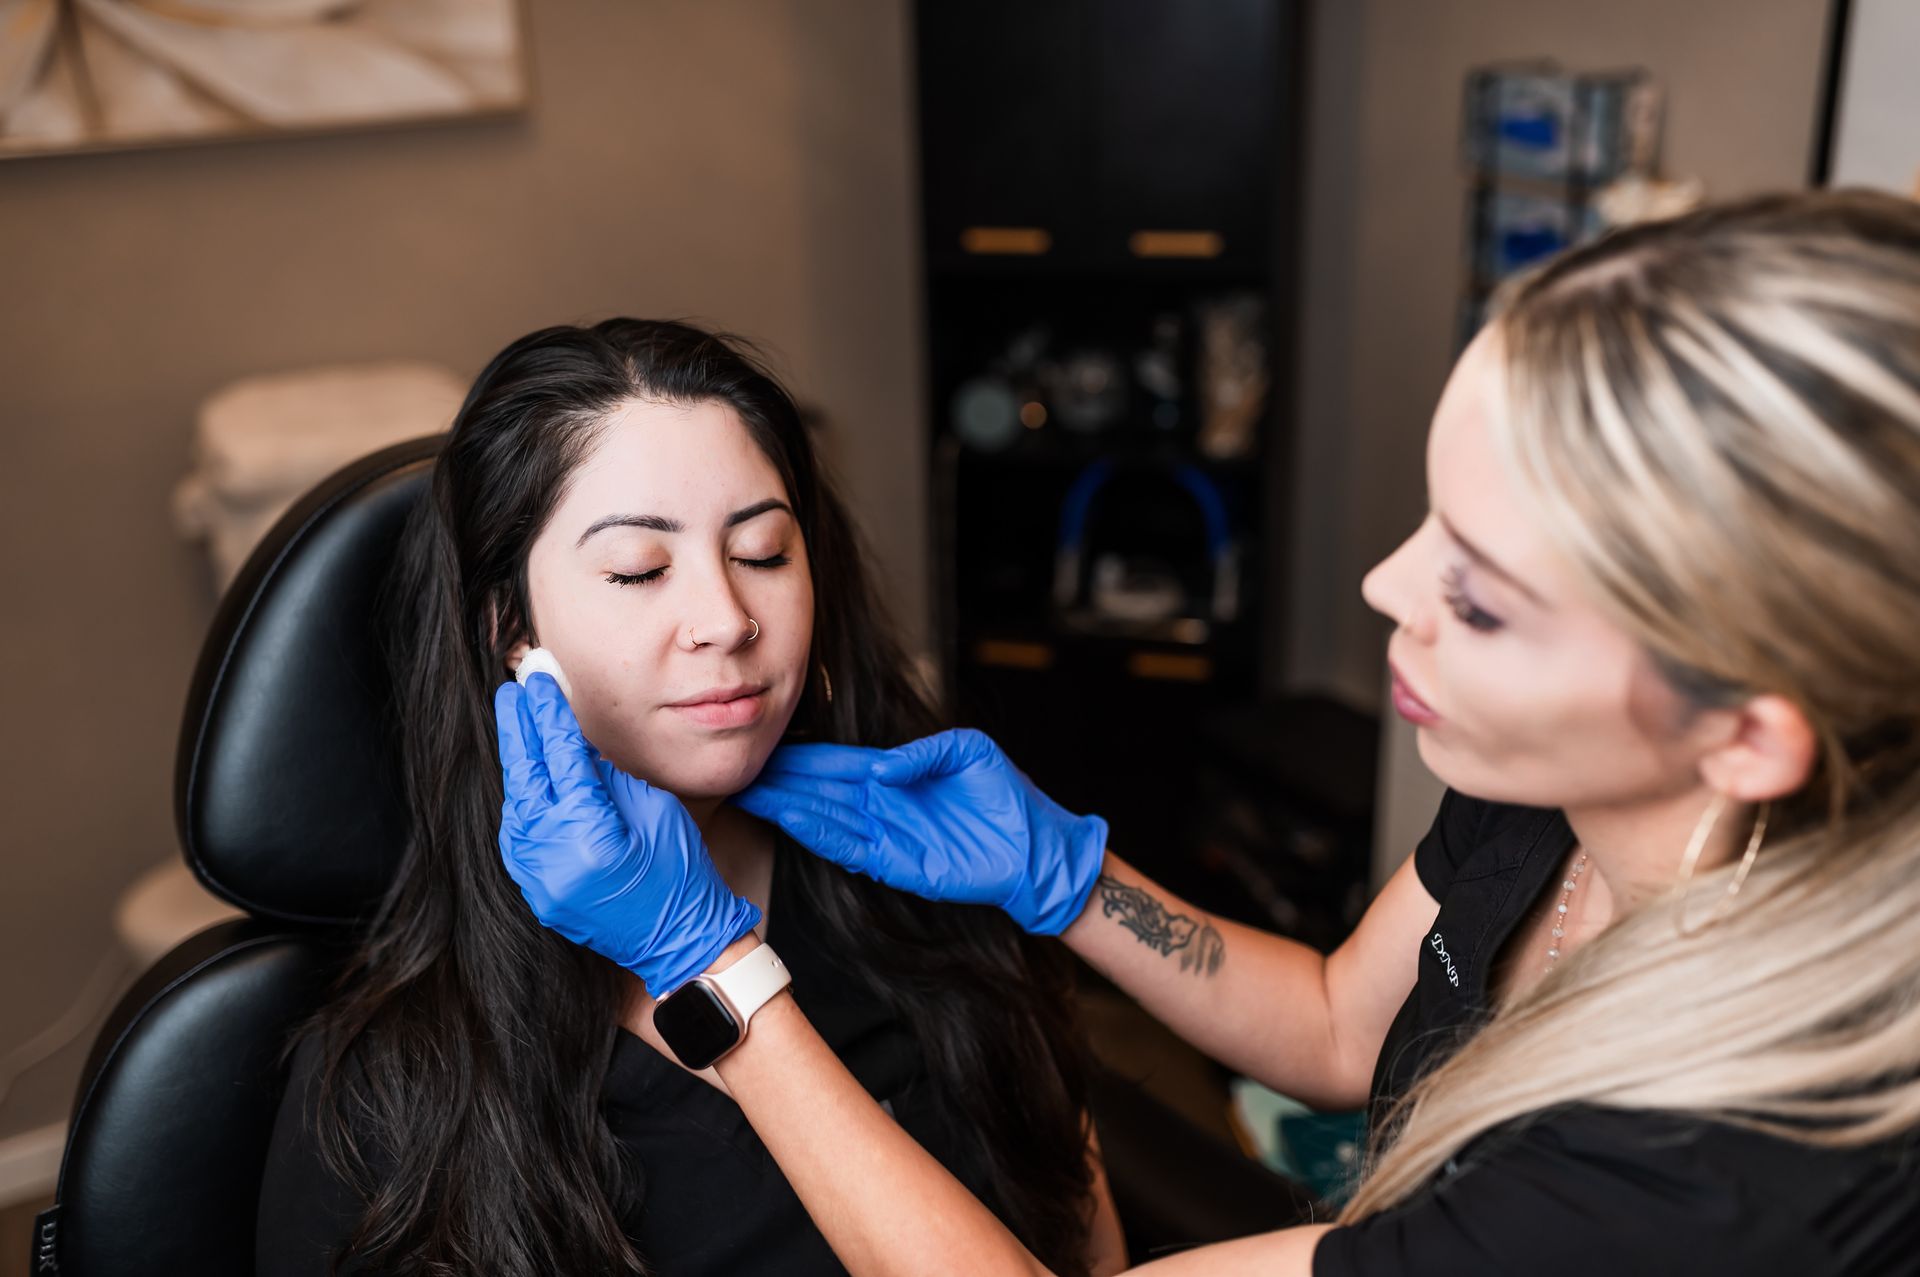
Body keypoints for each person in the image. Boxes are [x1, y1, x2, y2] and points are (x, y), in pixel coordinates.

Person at [494, 190, 1920, 1274]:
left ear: (1744, 732)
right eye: (634, 568)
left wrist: (716, 983)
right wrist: (1068, 877)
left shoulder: (1706, 1172)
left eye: (1481, 601)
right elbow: (1340, 1023)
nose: (1385, 587)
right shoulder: (1571, 791)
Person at [256, 319, 1125, 1277]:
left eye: (761, 552)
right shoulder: (392, 1090)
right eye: (640, 569)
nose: (727, 619)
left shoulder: (939, 919)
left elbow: (1090, 1253)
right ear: (510, 627)